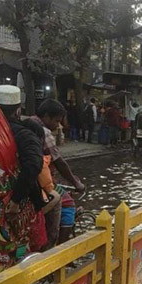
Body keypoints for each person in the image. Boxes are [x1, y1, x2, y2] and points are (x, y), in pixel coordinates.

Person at [0, 85, 49, 251]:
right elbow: (33, 164)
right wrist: (16, 200)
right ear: (18, 111)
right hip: (14, 203)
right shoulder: (23, 134)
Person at [30, 99, 85, 246]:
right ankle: (60, 249)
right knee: (68, 203)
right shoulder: (45, 132)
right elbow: (59, 162)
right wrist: (76, 182)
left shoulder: (27, 123)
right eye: (56, 120)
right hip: (39, 182)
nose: (58, 125)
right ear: (46, 116)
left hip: (29, 177)